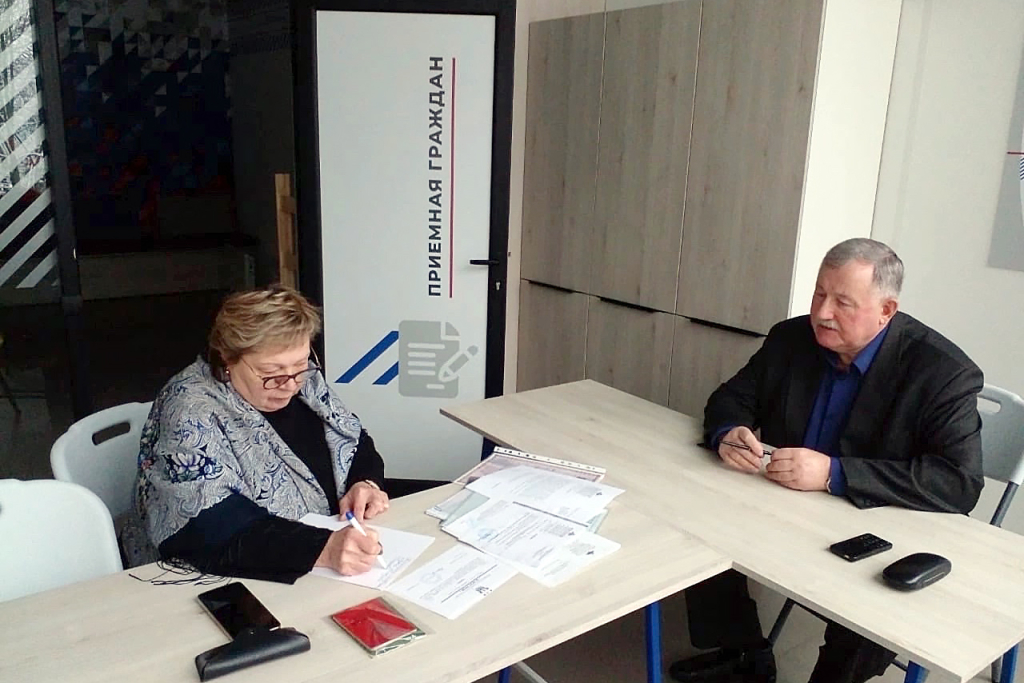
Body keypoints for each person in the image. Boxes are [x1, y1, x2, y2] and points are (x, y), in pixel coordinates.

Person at [669, 238, 984, 683]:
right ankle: (745, 653)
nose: (822, 312)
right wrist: (729, 432)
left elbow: (959, 482)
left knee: (874, 602)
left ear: (886, 310)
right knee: (696, 518)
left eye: (842, 302)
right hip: (784, 502)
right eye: (819, 293)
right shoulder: (791, 339)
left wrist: (835, 474)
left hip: (873, 522)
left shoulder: (941, 372)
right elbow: (730, 399)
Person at [123, 285, 390, 582]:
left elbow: (352, 439)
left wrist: (364, 482)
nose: (290, 385)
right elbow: (209, 527)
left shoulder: (303, 378)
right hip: (222, 574)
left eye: (300, 364)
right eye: (271, 373)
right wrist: (323, 549)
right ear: (228, 358)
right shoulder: (189, 409)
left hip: (328, 558)